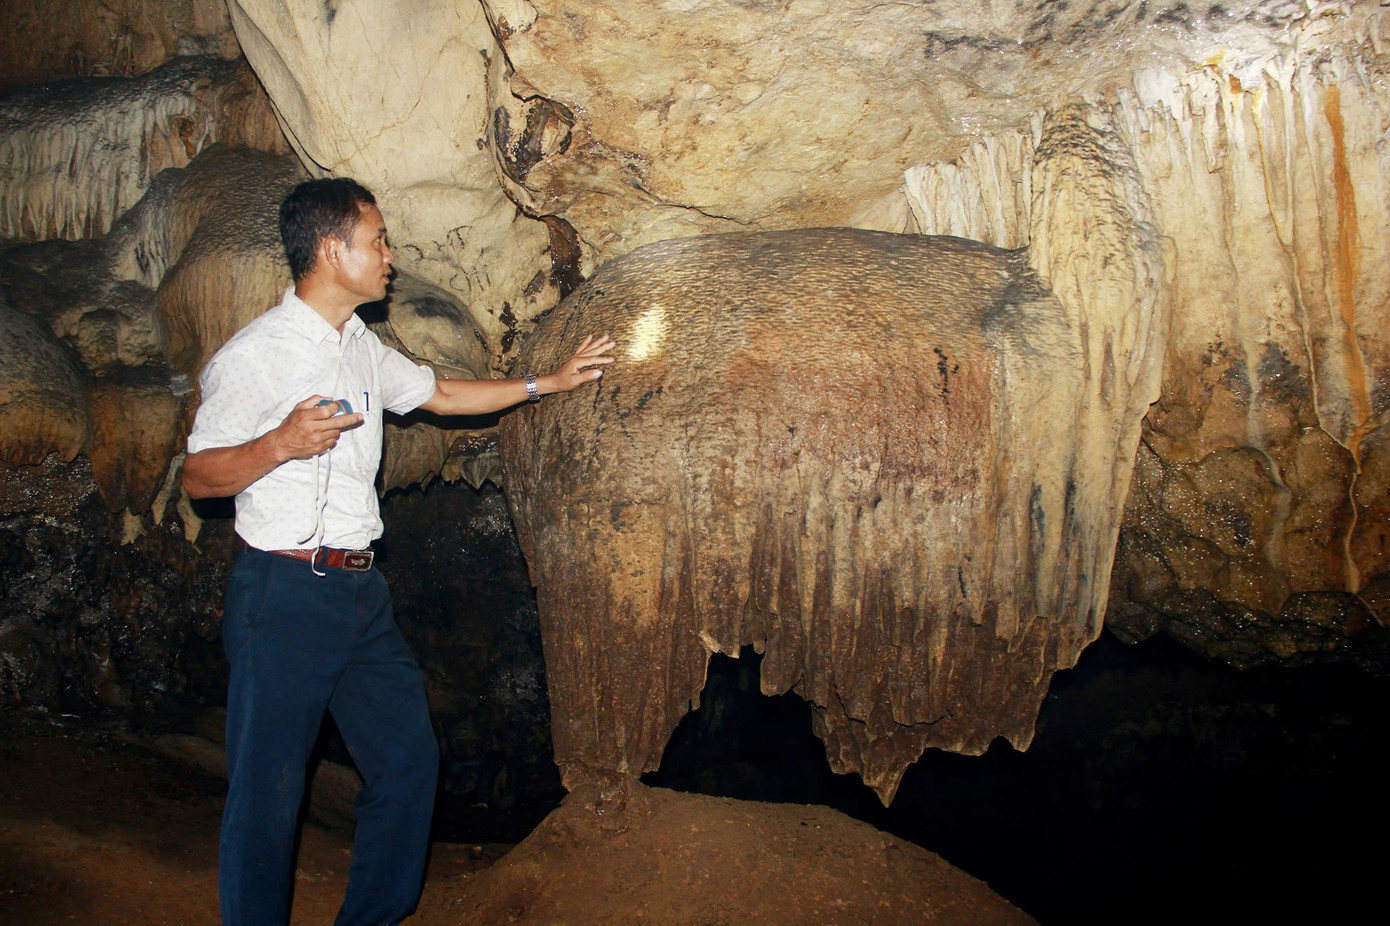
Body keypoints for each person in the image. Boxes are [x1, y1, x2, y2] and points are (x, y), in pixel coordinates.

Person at [182, 177, 613, 925]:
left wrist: (548, 382)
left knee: (409, 763)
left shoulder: (362, 348)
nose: (389, 256)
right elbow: (198, 475)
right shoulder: (255, 355)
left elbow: (441, 395)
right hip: (283, 593)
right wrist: (278, 443)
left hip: (359, 595)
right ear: (330, 250)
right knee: (269, 791)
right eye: (377, 241)